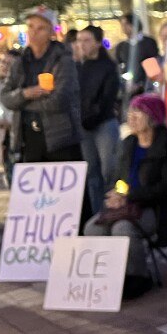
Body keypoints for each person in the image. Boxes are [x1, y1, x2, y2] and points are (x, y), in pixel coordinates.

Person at [85, 93, 167, 301]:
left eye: (138, 112)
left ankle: (138, 277)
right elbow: (120, 178)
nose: (131, 117)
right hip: (128, 204)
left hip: (157, 209)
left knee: (122, 229)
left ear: (153, 117)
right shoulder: (128, 144)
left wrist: (130, 196)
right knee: (92, 227)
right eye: (130, 111)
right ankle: (109, 277)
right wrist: (117, 193)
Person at [1, 6, 82, 164]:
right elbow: (5, 97)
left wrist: (22, 104)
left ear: (52, 32)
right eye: (30, 27)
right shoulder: (20, 62)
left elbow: (59, 100)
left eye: (41, 28)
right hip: (28, 139)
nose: (34, 33)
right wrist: (25, 93)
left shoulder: (63, 61)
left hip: (60, 139)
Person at [76, 26, 122, 215]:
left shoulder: (109, 66)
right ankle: (97, 213)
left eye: (86, 40)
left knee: (109, 169)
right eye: (79, 41)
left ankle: (113, 209)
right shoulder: (80, 67)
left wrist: (92, 117)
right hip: (84, 125)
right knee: (91, 172)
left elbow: (107, 98)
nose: (81, 45)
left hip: (103, 122)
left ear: (97, 42)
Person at [114, 12, 160, 98]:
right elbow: (119, 67)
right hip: (128, 91)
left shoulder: (148, 42)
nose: (123, 28)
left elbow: (154, 64)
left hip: (147, 88)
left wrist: (142, 84)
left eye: (126, 24)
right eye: (122, 24)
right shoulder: (121, 47)